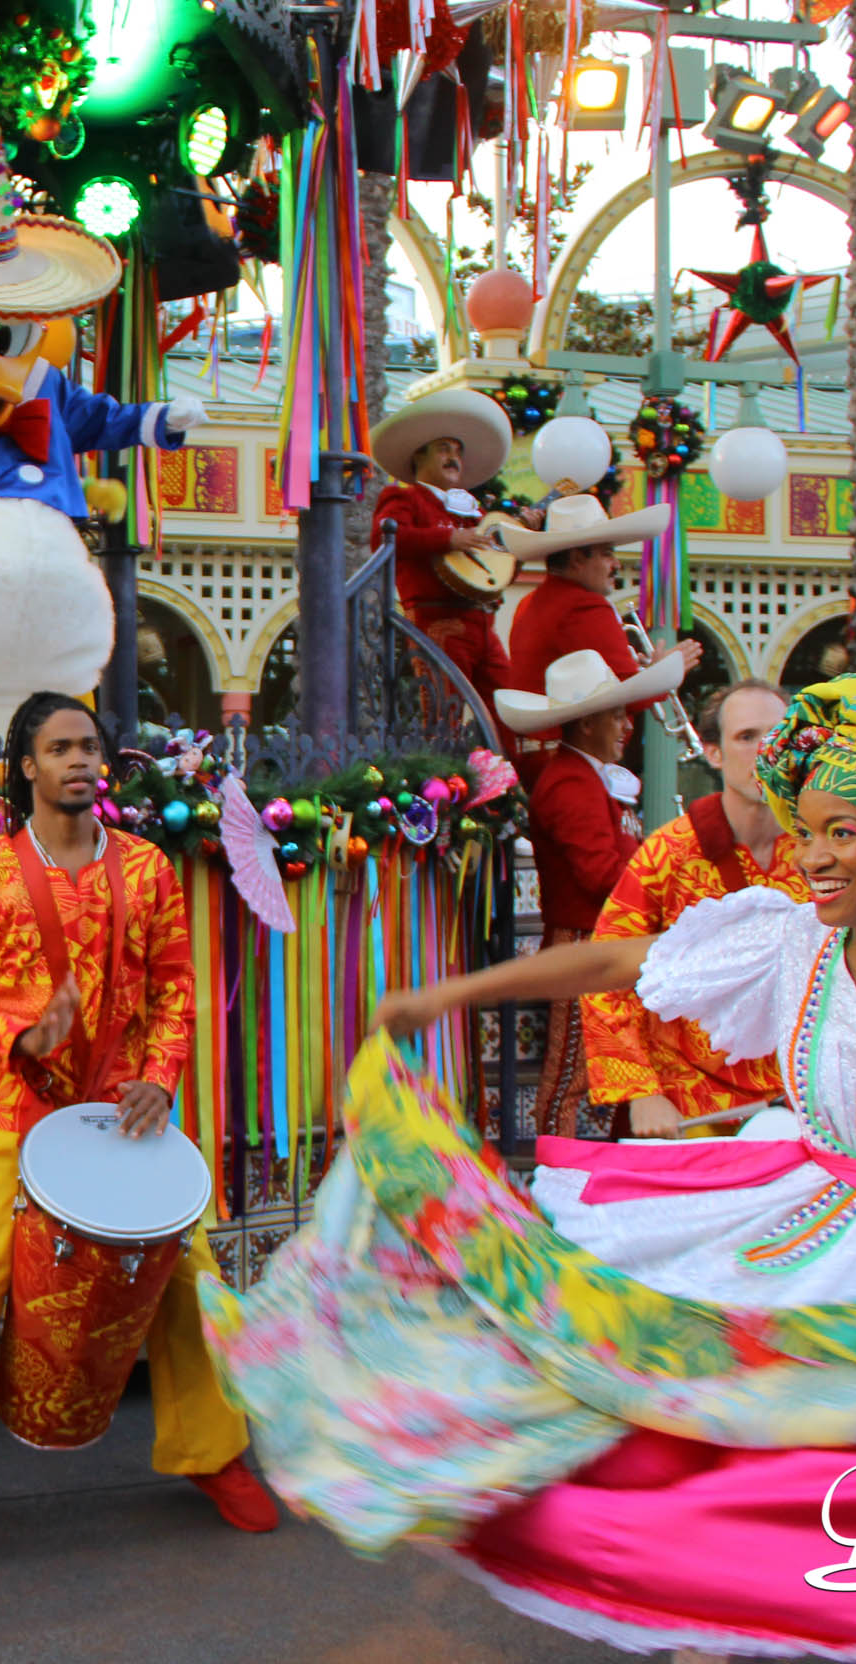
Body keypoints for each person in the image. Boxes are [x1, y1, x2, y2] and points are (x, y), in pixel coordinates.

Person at [206, 674, 856, 1664]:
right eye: (804, 834)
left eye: (841, 833)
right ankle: (711, 1625)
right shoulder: (792, 938)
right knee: (713, 1439)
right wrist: (451, 993)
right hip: (824, 1223)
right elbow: (613, 963)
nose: (813, 858)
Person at [0, 691, 274, 1568]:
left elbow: (176, 988)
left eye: (89, 745)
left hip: (121, 1114)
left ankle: (215, 1452)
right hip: (10, 1117)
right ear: (27, 766)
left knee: (189, 1281)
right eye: (60, 748)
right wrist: (19, 1035)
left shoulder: (147, 867)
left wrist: (160, 1076)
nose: (80, 759)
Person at [582, 678, 805, 1136]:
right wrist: (642, 1092)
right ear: (713, 753)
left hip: (801, 1100)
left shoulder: (819, 851)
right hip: (687, 1103)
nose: (766, 751)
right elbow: (605, 972)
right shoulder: (670, 853)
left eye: (777, 736)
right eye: (747, 737)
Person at [494, 648, 690, 1136]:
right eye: (617, 716)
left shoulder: (586, 778)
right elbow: (601, 874)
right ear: (586, 724)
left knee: (622, 1065)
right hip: (585, 942)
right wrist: (664, 881)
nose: (627, 726)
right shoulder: (570, 784)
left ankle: (616, 1159)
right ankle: (553, 1165)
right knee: (570, 1076)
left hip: (603, 939)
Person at [367, 387, 521, 701]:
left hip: (483, 623)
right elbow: (384, 538)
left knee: (508, 708)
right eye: (443, 449)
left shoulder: (471, 510)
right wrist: (448, 539)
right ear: (418, 455)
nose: (453, 458)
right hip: (437, 620)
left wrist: (520, 541)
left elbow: (497, 571)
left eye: (457, 452)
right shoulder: (405, 497)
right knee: (442, 711)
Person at [502, 493, 701, 704]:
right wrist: (662, 674)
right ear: (577, 559)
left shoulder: (528, 603)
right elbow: (621, 696)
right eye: (607, 554)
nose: (616, 564)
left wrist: (644, 672)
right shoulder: (584, 605)